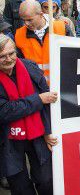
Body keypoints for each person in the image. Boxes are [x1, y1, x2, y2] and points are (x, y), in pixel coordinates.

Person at [0, 34, 59, 195]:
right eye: (2, 56)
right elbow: (4, 111)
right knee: (20, 187)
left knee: (46, 180)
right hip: (8, 139)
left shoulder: (30, 67)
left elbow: (47, 104)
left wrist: (48, 132)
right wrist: (38, 100)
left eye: (11, 53)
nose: (8, 59)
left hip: (37, 133)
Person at [15, 0, 73, 81]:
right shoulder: (19, 35)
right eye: (23, 20)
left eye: (29, 20)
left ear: (41, 15)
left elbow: (73, 57)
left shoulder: (62, 28)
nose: (26, 24)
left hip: (61, 83)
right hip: (36, 87)